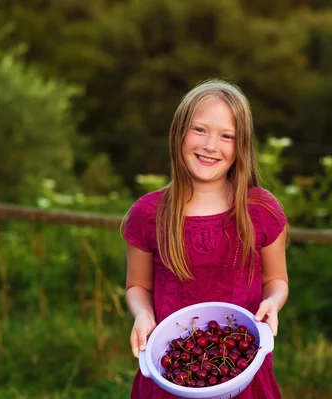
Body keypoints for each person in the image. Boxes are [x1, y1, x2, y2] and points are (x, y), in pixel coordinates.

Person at [122, 78, 289, 398]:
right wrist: (143, 314)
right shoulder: (148, 214)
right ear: (179, 133)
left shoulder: (261, 210)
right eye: (200, 130)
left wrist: (272, 302)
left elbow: (277, 279)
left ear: (240, 147)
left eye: (227, 136)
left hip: (242, 372)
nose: (211, 146)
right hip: (172, 370)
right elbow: (137, 286)